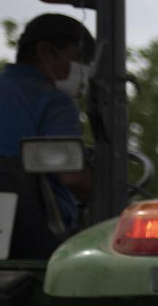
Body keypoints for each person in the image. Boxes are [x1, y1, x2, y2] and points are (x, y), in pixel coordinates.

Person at [0, 13, 94, 243]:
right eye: (79, 58)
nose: (84, 71)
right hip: (33, 235)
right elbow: (71, 176)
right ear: (46, 52)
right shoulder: (53, 101)